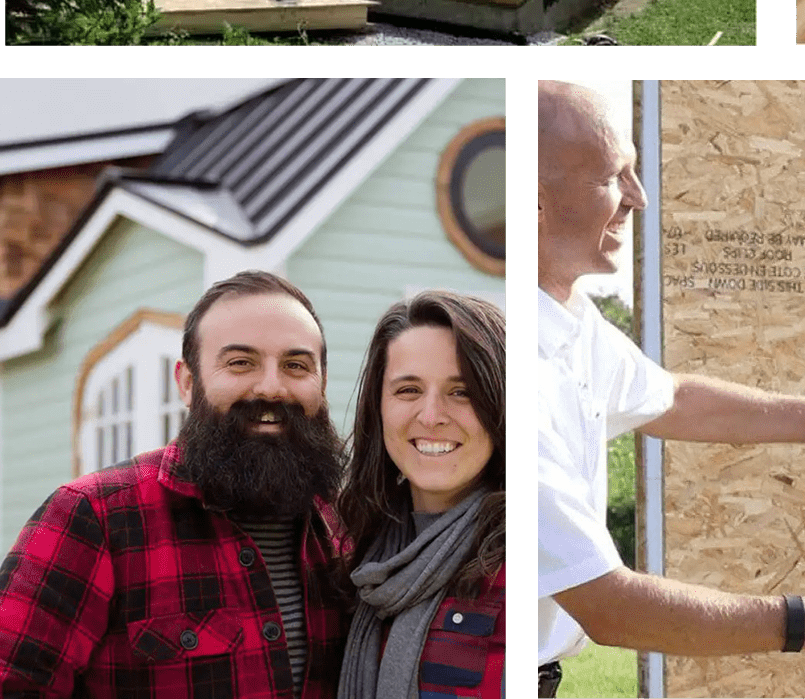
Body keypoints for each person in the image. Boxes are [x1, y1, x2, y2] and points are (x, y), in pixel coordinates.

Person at [537, 80, 805, 697]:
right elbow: (607, 605)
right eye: (613, 176)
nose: (638, 196)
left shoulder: (570, 321)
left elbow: (674, 400)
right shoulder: (513, 364)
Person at [0, 269, 350, 697]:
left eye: (296, 365)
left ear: (323, 384)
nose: (272, 387)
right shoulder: (94, 518)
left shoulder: (343, 527)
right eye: (241, 363)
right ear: (187, 383)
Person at [335, 291, 505, 699]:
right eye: (408, 390)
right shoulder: (357, 554)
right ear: (377, 409)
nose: (431, 416)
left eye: (461, 392)